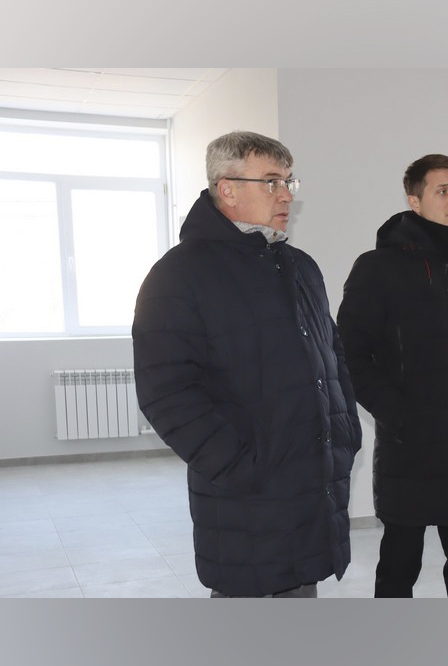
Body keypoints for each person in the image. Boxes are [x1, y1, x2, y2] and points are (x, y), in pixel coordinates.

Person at [132, 131, 362, 598]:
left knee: (300, 601)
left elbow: (333, 357)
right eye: (272, 182)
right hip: (246, 497)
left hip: (311, 486)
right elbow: (166, 392)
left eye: (289, 182)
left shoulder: (300, 267)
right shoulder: (179, 274)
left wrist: (345, 432)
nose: (286, 195)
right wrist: (240, 466)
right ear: (228, 189)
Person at [336, 154, 448, 598]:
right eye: (443, 191)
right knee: (399, 568)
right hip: (410, 450)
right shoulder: (377, 268)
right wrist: (400, 415)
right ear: (414, 201)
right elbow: (350, 354)